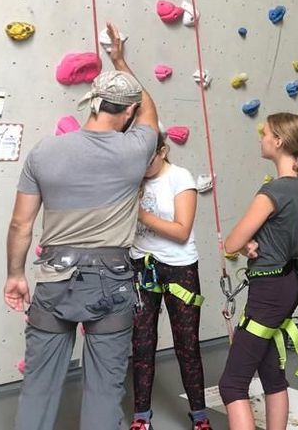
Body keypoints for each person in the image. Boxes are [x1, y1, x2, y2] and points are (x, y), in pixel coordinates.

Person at [4, 22, 159, 430]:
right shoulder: (135, 148)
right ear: (127, 113)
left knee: (38, 386)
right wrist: (120, 61)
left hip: (54, 276)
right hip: (112, 279)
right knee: (104, 391)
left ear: (93, 104)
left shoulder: (45, 151)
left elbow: (21, 224)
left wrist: (16, 274)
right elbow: (149, 109)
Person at [218, 113, 298, 430]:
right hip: (286, 283)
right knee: (272, 373)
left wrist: (241, 243)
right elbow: (270, 235)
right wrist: (251, 244)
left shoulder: (272, 192)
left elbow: (231, 242)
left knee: (232, 384)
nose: (261, 138)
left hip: (269, 292)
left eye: (265, 133)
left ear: (279, 141)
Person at [129, 134, 210, 430]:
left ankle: (200, 416)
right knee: (141, 343)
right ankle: (141, 416)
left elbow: (181, 231)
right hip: (141, 265)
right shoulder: (134, 179)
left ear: (163, 151)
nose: (143, 164)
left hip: (179, 268)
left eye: (149, 158)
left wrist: (138, 213)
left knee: (187, 345)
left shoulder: (180, 177)